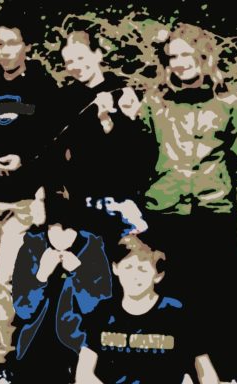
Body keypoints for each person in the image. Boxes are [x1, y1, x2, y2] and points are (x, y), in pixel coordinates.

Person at [118, 23, 237, 379]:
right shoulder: (155, 103)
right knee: (170, 296)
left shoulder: (229, 104)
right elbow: (134, 158)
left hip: (214, 214)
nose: (179, 62)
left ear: (203, 55)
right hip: (164, 214)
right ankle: (173, 373)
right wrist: (129, 119)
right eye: (172, 57)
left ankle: (225, 376)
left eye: (186, 54)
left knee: (217, 297)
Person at [4, 236, 224, 384]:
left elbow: (207, 375)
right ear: (116, 268)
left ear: (158, 275)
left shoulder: (176, 314)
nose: (135, 275)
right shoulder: (103, 312)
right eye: (128, 267)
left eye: (143, 269)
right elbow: (84, 376)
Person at [0, 22, 62, 383]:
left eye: (12, 43)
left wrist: (26, 161)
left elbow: (53, 142)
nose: (5, 51)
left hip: (22, 200)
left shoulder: (44, 88)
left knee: (7, 281)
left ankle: (4, 359)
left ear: (26, 46)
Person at [8, 199, 112, 384]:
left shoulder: (92, 245)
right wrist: (41, 276)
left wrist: (79, 272)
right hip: (35, 346)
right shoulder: (32, 245)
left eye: (69, 232)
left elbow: (99, 310)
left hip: (77, 346)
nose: (62, 239)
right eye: (54, 230)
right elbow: (23, 309)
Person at [54, 30, 153, 240]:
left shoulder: (122, 92)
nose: (76, 66)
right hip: (81, 202)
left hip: (122, 201)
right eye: (69, 61)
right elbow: (58, 151)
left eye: (81, 58)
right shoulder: (64, 99)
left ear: (98, 54)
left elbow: (138, 150)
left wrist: (107, 120)